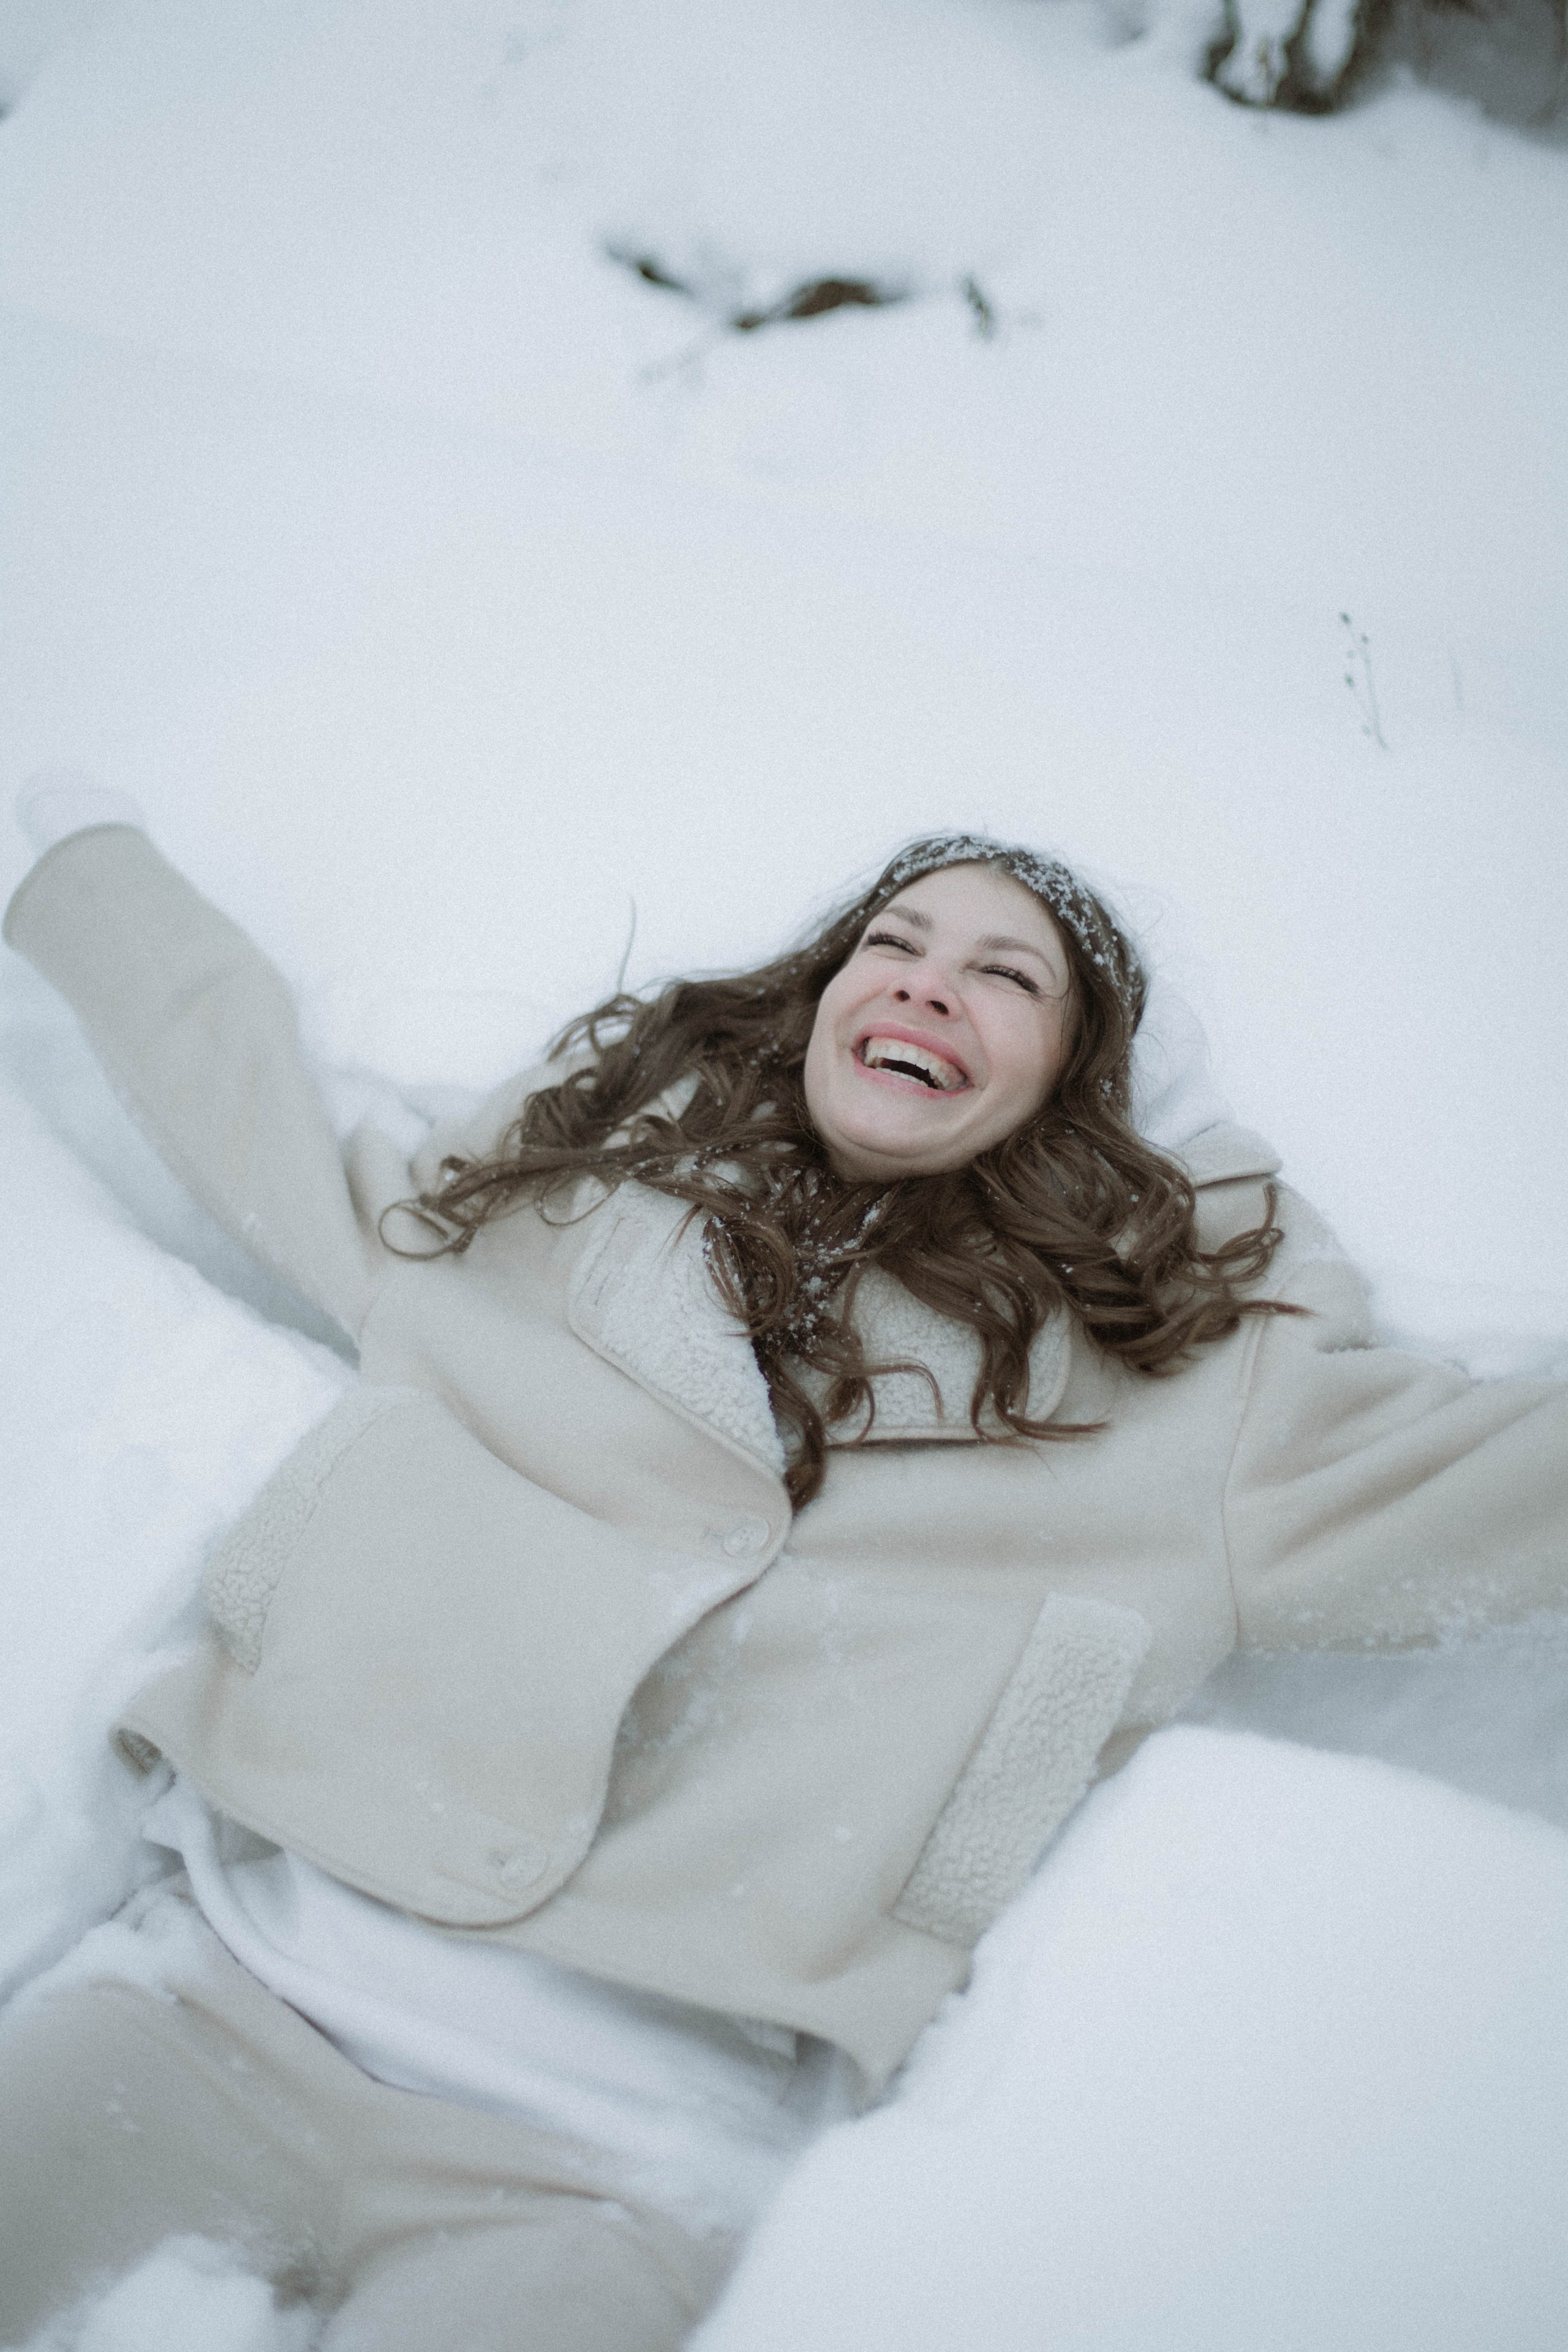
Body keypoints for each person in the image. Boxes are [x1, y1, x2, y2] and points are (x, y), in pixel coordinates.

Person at [1, 779, 1564, 2351]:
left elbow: (1504, 1482)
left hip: (601, 2166)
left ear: (1075, 1082)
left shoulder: (1183, 1410)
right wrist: (77, 868)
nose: (924, 980)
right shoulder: (544, 1215)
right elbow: (246, 1095)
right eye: (890, 940)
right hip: (209, 1996)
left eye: (1004, 974)